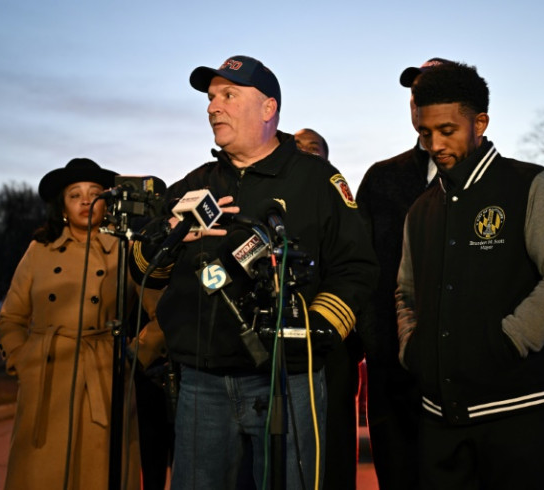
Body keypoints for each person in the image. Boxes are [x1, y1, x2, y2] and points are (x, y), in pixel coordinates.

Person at [129, 55, 378, 490]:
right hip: (201, 381)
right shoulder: (194, 184)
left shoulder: (318, 181)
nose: (212, 107)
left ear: (268, 109)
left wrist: (317, 328)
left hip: (288, 378)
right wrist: (164, 239)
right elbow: (142, 269)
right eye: (210, 98)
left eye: (228, 95)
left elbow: (356, 267)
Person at [395, 61, 544, 489]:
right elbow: (405, 293)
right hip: (440, 423)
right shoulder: (421, 209)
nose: (435, 143)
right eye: (424, 133)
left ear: (480, 122)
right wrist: (411, 347)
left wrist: (509, 339)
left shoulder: (532, 185)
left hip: (519, 417)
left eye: (447, 130)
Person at [0, 158, 142, 489]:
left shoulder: (126, 249)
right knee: (41, 475)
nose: (86, 201)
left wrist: (135, 358)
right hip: (47, 378)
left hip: (104, 377)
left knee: (100, 472)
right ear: (62, 205)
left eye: (95, 193)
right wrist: (23, 361)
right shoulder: (39, 250)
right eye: (76, 194)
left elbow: (159, 310)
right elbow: (12, 317)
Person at [354, 57, 446, 490]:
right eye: (415, 96)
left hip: (470, 375)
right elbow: (361, 268)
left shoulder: (504, 184)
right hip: (393, 371)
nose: (419, 103)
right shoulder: (382, 179)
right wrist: (375, 343)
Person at [294, 127, 362, 490]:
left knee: (333, 444)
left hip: (331, 343)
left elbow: (357, 268)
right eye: (297, 146)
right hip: (282, 347)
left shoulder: (339, 200)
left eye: (314, 147)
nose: (304, 151)